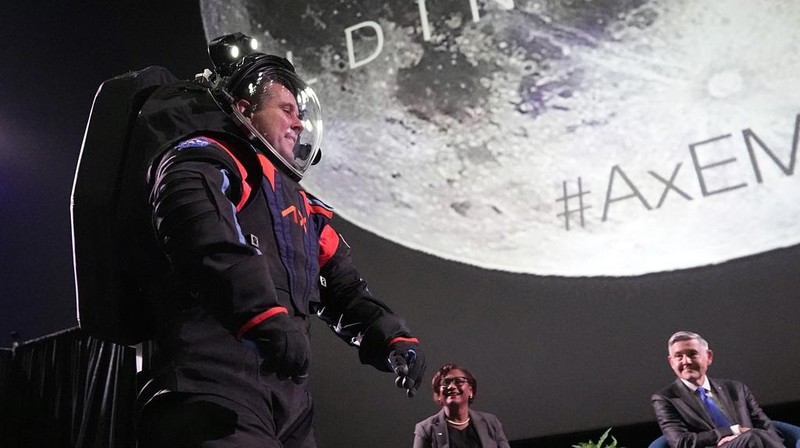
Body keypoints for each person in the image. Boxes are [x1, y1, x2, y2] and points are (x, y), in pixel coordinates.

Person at [133, 33, 426, 447]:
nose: (298, 123)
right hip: (208, 381)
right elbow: (200, 235)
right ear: (244, 110)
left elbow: (343, 288)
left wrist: (390, 337)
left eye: (300, 112)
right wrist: (260, 314)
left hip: (288, 397)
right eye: (286, 109)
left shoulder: (303, 208)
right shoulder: (204, 155)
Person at [651, 331, 784, 448]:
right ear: (671, 362)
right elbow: (681, 442)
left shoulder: (736, 389)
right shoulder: (665, 399)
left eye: (692, 354)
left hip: (752, 444)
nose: (686, 361)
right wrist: (733, 431)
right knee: (753, 436)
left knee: (756, 436)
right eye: (679, 356)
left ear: (709, 357)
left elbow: (766, 426)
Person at [413, 363, 510, 448]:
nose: (451, 387)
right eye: (445, 383)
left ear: (470, 391)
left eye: (459, 381)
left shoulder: (491, 422)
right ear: (439, 395)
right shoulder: (425, 429)